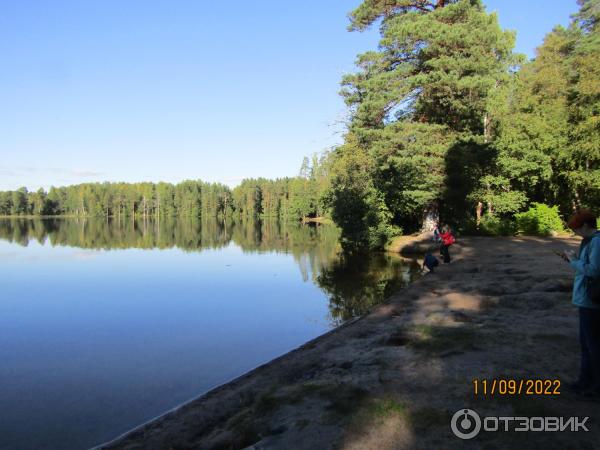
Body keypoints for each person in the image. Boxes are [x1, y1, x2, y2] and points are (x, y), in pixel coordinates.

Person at [563, 209, 600, 398]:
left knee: (593, 347)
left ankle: (595, 387)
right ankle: (583, 381)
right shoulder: (589, 241)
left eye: (577, 229)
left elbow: (593, 271)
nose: (575, 233)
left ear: (586, 226)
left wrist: (573, 261)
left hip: (592, 302)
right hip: (586, 300)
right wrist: (574, 260)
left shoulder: (597, 242)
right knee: (586, 345)